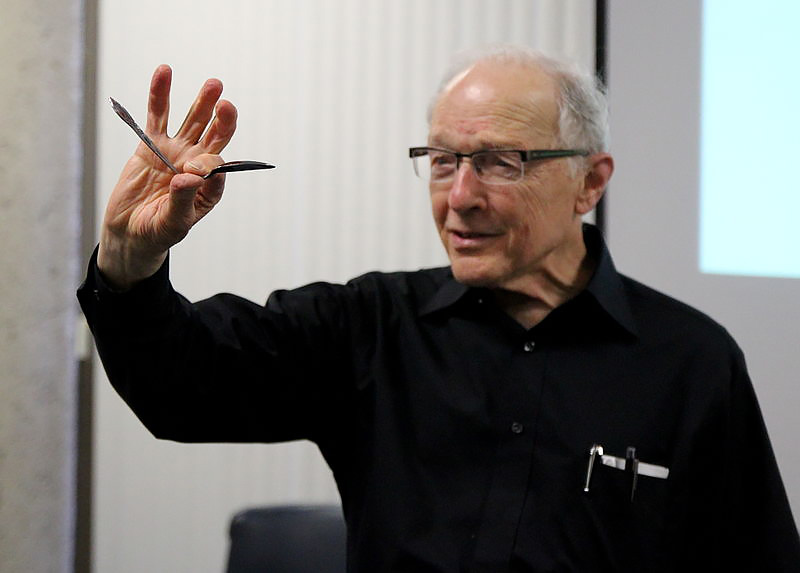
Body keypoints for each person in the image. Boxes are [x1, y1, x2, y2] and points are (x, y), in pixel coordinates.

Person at [78, 47, 800, 571]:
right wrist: (128, 260)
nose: (458, 196)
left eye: (497, 161)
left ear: (589, 182)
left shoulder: (692, 361)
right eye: (443, 160)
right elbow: (182, 387)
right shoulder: (372, 327)